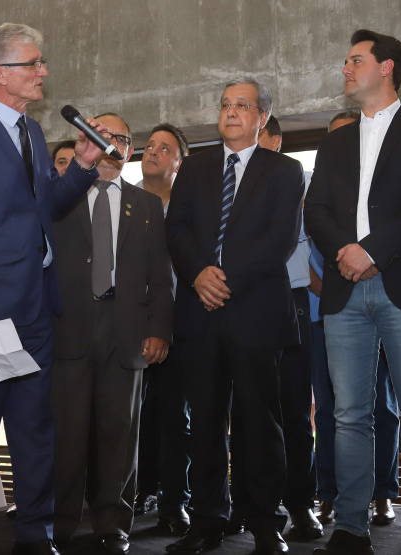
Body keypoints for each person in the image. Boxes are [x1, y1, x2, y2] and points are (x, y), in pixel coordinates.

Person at [0, 22, 107, 555]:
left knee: (34, 428)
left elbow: (46, 208)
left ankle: (36, 534)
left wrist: (83, 166)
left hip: (33, 308)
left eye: (41, 62)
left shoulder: (30, 131)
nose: (43, 71)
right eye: (33, 63)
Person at [304, 29, 401, 555]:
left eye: (356, 60)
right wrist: (346, 252)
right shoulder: (335, 141)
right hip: (344, 291)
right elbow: (316, 209)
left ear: (387, 67)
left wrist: (369, 251)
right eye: (346, 61)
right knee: (348, 414)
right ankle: (350, 527)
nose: (346, 69)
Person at [165, 77, 304, 555]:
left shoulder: (285, 170)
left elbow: (280, 238)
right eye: (225, 104)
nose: (230, 112)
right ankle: (207, 520)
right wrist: (198, 274)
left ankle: (265, 522)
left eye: (242, 105)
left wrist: (224, 279)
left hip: (256, 311)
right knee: (204, 422)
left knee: (260, 423)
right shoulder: (195, 167)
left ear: (261, 117)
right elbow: (177, 229)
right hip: (199, 311)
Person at [50, 112, 173, 555]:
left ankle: (114, 523)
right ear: (83, 141)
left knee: (120, 435)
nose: (109, 143)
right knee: (66, 434)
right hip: (68, 330)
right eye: (99, 135)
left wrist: (159, 329)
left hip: (127, 332)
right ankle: (59, 522)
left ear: (129, 148)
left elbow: (160, 276)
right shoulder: (62, 196)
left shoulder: (146, 206)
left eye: (118, 137)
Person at [225, 114, 323, 540]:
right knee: (245, 411)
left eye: (258, 134)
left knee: (294, 408)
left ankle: (300, 504)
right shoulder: (228, 183)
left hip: (290, 301)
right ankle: (242, 504)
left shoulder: (299, 179)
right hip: (239, 299)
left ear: (275, 139)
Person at [308, 111, 401, 529]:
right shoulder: (318, 190)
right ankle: (330, 494)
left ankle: (381, 494)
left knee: (383, 407)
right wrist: (335, 285)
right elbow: (303, 252)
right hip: (329, 312)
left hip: (384, 307)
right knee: (331, 411)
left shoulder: (385, 188)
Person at [133, 123, 192, 535]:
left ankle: (175, 502)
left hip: (180, 324)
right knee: (131, 417)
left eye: (164, 148)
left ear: (179, 162)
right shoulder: (125, 201)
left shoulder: (191, 207)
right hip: (129, 325)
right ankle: (136, 492)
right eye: (150, 145)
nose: (153, 152)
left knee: (175, 416)